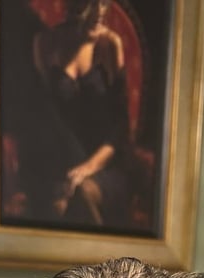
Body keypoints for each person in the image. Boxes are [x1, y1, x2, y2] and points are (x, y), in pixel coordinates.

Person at [17, 0, 133, 228]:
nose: (101, 12)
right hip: (61, 159)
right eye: (93, 4)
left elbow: (121, 128)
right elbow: (47, 120)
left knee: (84, 193)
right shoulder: (45, 43)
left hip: (106, 163)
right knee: (57, 205)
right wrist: (65, 174)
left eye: (103, 4)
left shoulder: (110, 45)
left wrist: (88, 167)